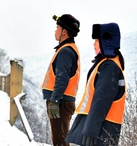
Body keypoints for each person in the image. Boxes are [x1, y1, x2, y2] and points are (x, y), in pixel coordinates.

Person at [65, 23, 126, 146]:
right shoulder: (106, 64)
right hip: (93, 126)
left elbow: (101, 101)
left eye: (97, 40)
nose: (94, 44)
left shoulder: (109, 67)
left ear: (105, 41)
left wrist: (90, 131)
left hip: (98, 130)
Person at [41, 14, 81, 146]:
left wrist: (54, 101)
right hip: (61, 101)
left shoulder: (65, 52)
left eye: (57, 27)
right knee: (59, 138)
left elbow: (62, 78)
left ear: (64, 31)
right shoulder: (67, 50)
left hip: (60, 103)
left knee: (60, 141)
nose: (55, 31)